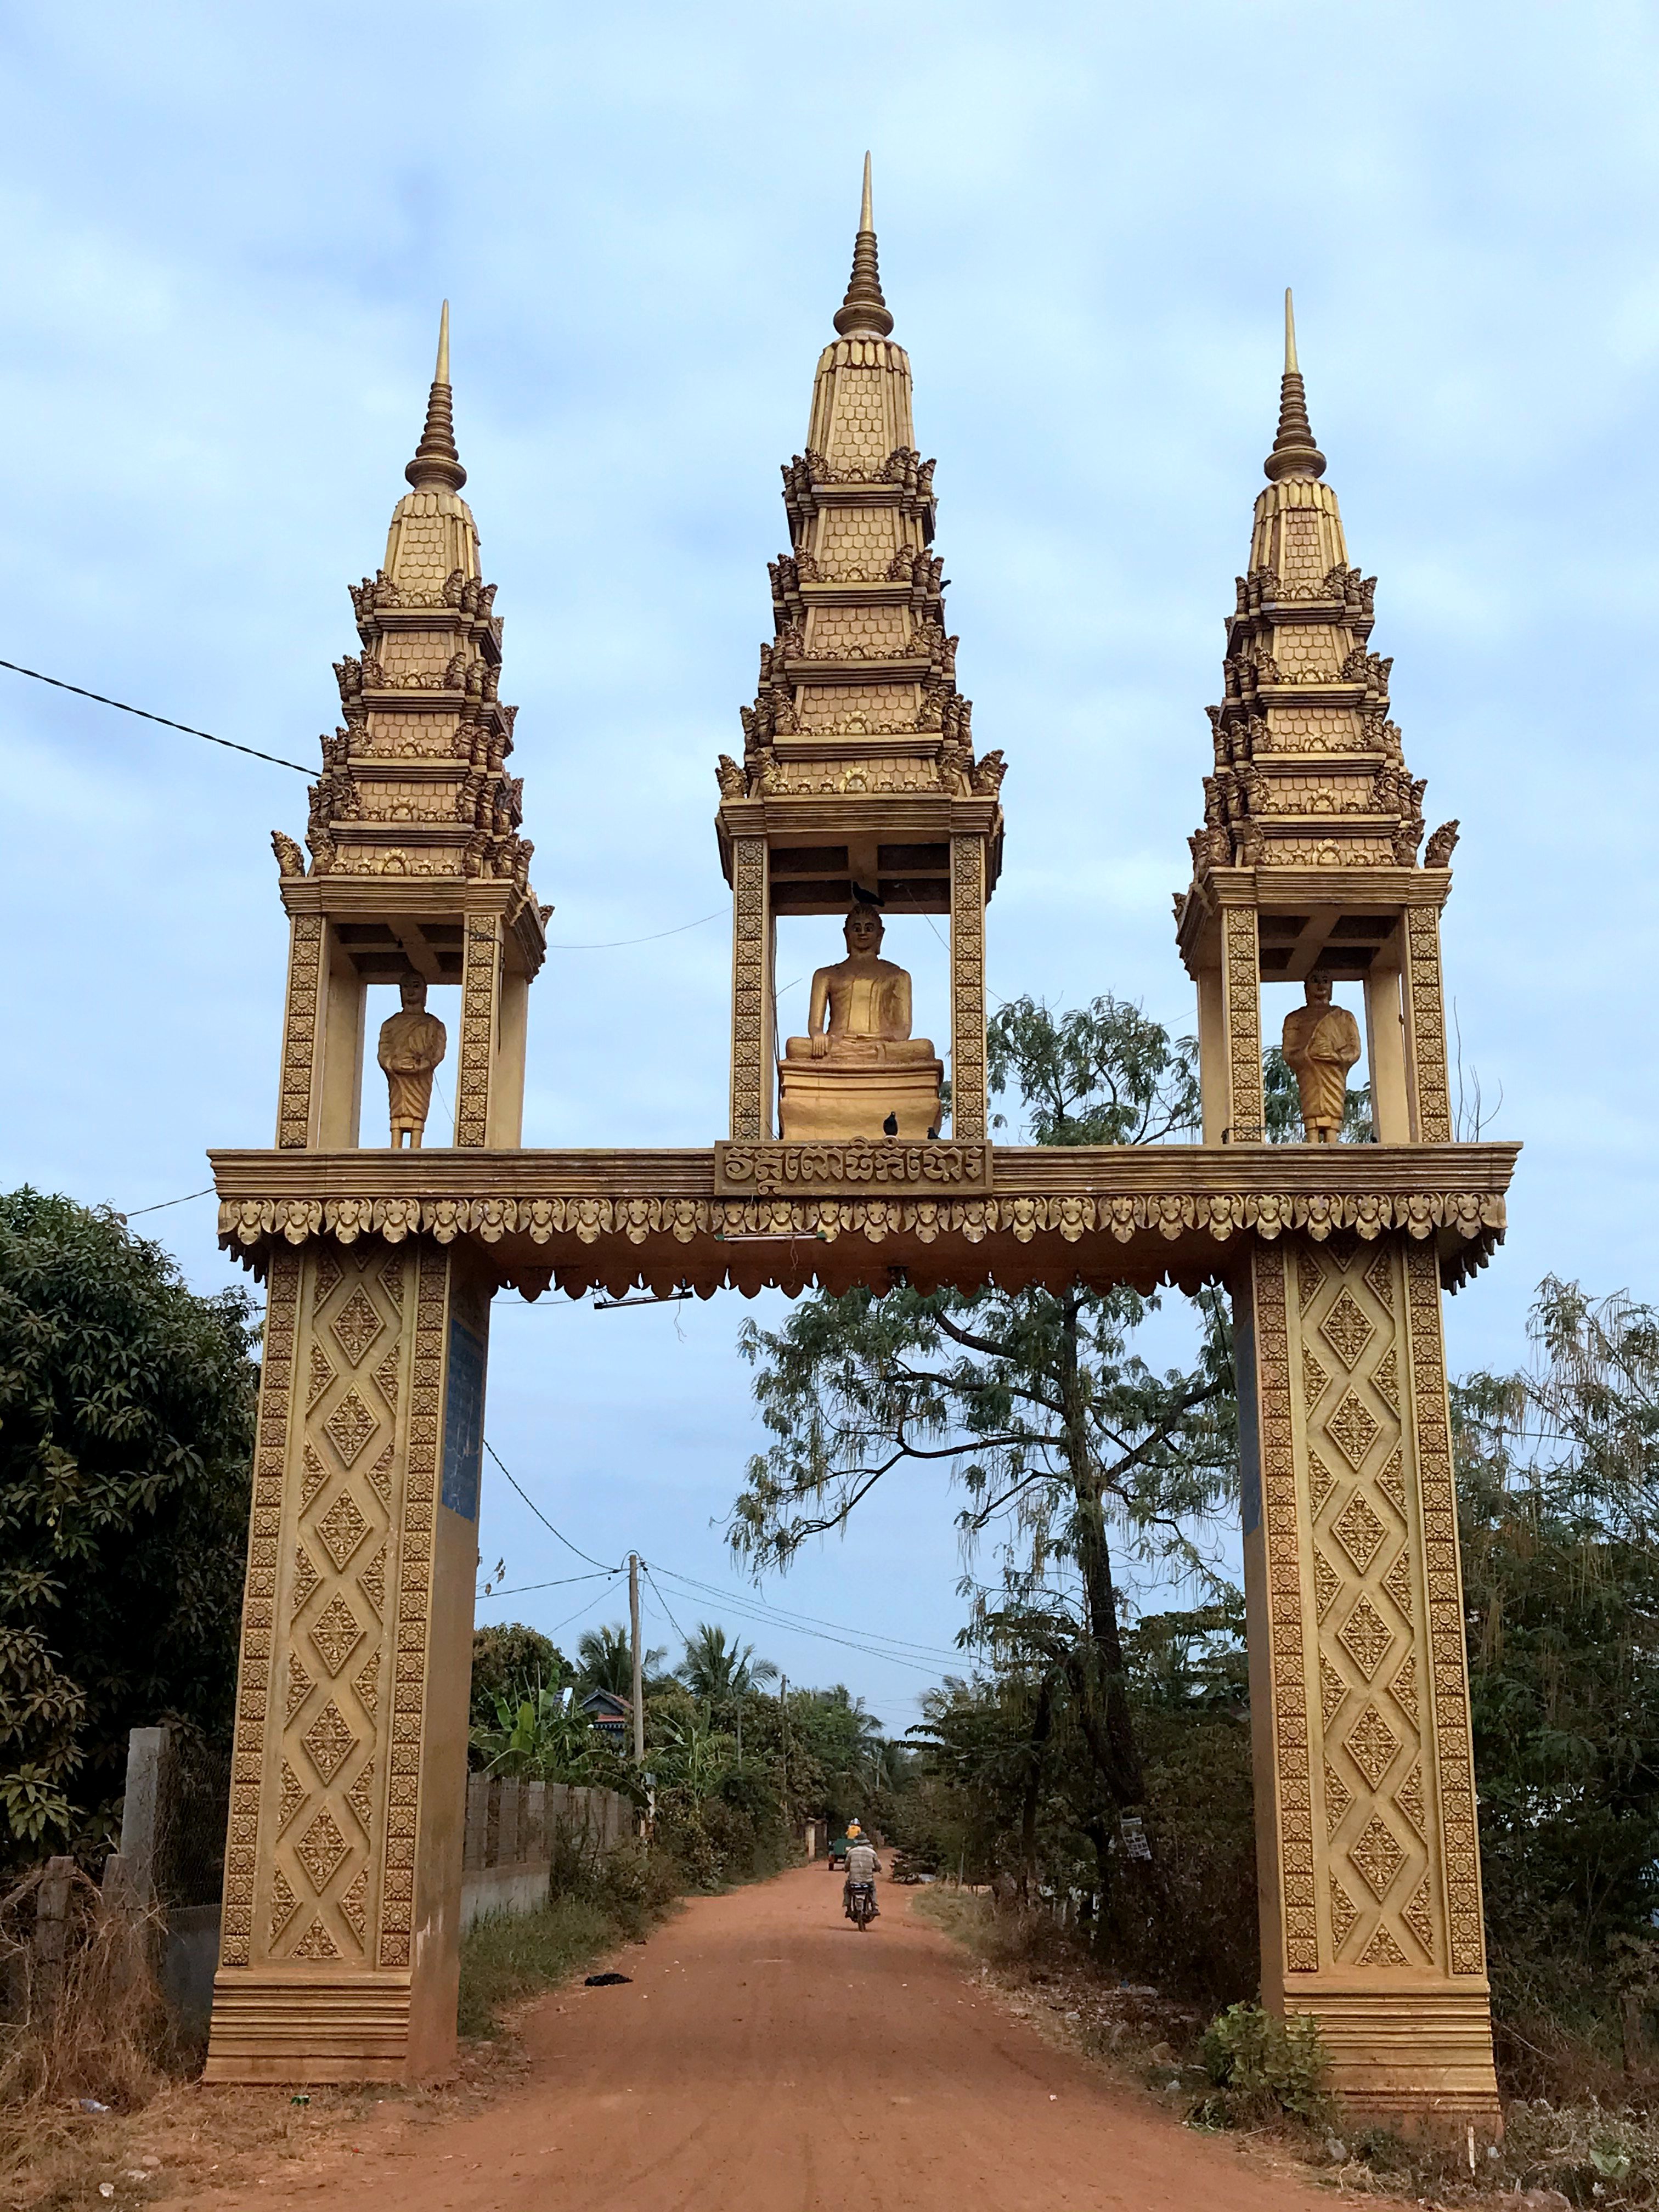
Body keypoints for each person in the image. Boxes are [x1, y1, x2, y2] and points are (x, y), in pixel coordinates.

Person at [843, 1827, 881, 1921]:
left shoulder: (851, 1852)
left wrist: (846, 1869)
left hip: (854, 1881)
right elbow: (878, 1866)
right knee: (872, 1889)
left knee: (847, 1889)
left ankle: (848, 1908)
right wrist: (878, 1870)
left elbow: (846, 1866)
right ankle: (874, 1907)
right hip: (867, 1881)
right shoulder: (872, 1852)